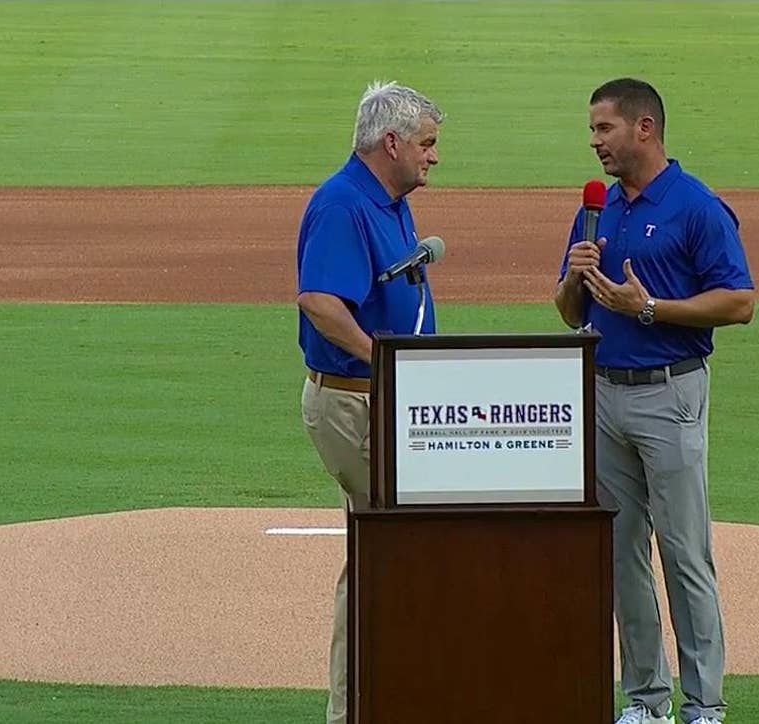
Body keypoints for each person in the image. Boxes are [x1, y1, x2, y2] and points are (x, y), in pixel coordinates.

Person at [553, 78, 755, 724]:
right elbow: (566, 312)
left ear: (645, 128)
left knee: (683, 550)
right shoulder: (597, 211)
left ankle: (705, 705)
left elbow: (740, 301)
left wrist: (650, 307)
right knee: (620, 553)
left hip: (670, 392)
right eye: (592, 131)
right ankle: (646, 701)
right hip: (604, 392)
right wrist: (576, 278)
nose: (595, 143)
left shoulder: (695, 207)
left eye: (604, 129)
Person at [296, 80, 442, 724]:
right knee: (392, 548)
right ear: (392, 143)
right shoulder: (344, 204)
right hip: (354, 404)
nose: (433, 157)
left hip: (383, 403)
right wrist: (382, 363)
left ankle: (374, 701)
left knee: (386, 552)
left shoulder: (388, 200)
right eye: (427, 144)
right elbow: (321, 303)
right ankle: (361, 706)